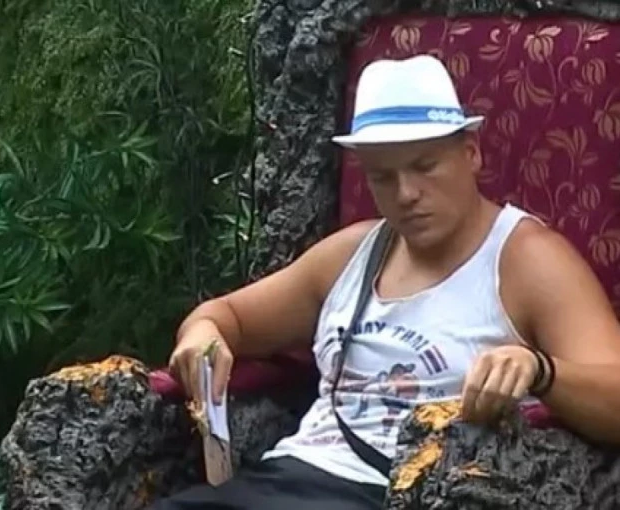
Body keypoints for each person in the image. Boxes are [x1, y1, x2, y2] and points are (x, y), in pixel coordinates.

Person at [147, 55, 620, 510]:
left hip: (411, 491)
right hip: (288, 477)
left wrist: (540, 370)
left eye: (424, 166)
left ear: (471, 153)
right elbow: (224, 316)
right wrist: (202, 336)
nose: (407, 194)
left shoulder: (526, 259)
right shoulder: (352, 254)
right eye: (383, 177)